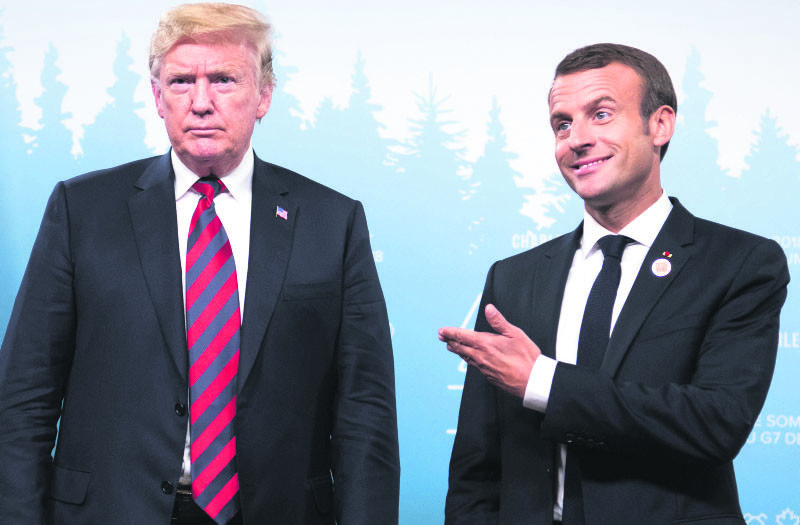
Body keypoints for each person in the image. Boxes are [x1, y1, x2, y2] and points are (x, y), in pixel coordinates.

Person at [0, 3, 399, 524]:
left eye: (224, 79)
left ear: (264, 96)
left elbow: (365, 417)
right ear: (157, 96)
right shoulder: (83, 212)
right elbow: (24, 402)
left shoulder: (333, 223)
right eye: (183, 80)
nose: (202, 102)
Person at [439, 43, 789, 524]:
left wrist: (543, 381)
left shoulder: (739, 263)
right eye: (562, 124)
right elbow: (476, 472)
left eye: (600, 115)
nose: (576, 139)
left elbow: (716, 423)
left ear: (660, 125)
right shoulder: (514, 278)